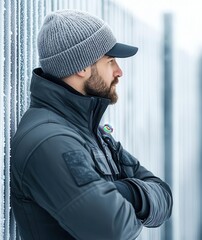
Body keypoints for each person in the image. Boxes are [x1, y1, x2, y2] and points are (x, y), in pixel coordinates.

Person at [10, 9, 173, 240]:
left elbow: (164, 196)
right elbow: (113, 228)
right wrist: (135, 199)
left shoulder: (90, 133)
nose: (119, 71)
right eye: (110, 61)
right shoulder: (50, 142)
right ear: (82, 67)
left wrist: (128, 192)